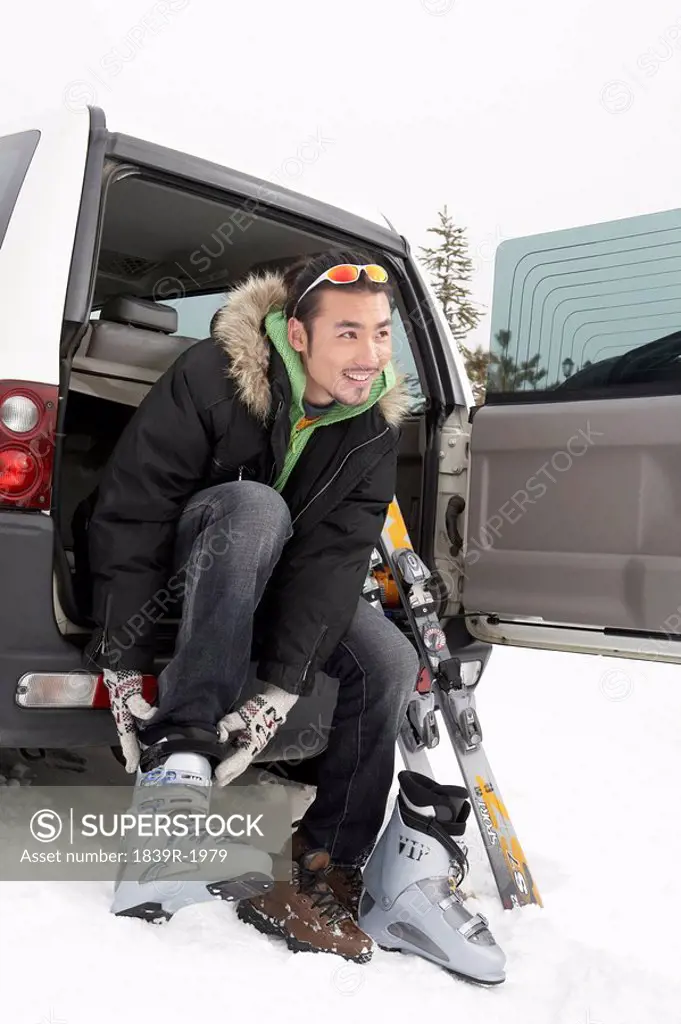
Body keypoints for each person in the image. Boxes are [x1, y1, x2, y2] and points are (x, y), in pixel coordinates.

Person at [80, 249, 419, 962]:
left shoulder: (372, 425)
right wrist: (124, 660)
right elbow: (132, 514)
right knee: (255, 507)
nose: (370, 355)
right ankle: (180, 763)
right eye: (348, 333)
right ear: (297, 336)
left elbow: (331, 563)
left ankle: (329, 861)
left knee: (389, 658)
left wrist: (280, 691)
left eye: (381, 332)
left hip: (277, 576)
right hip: (192, 558)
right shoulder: (214, 375)